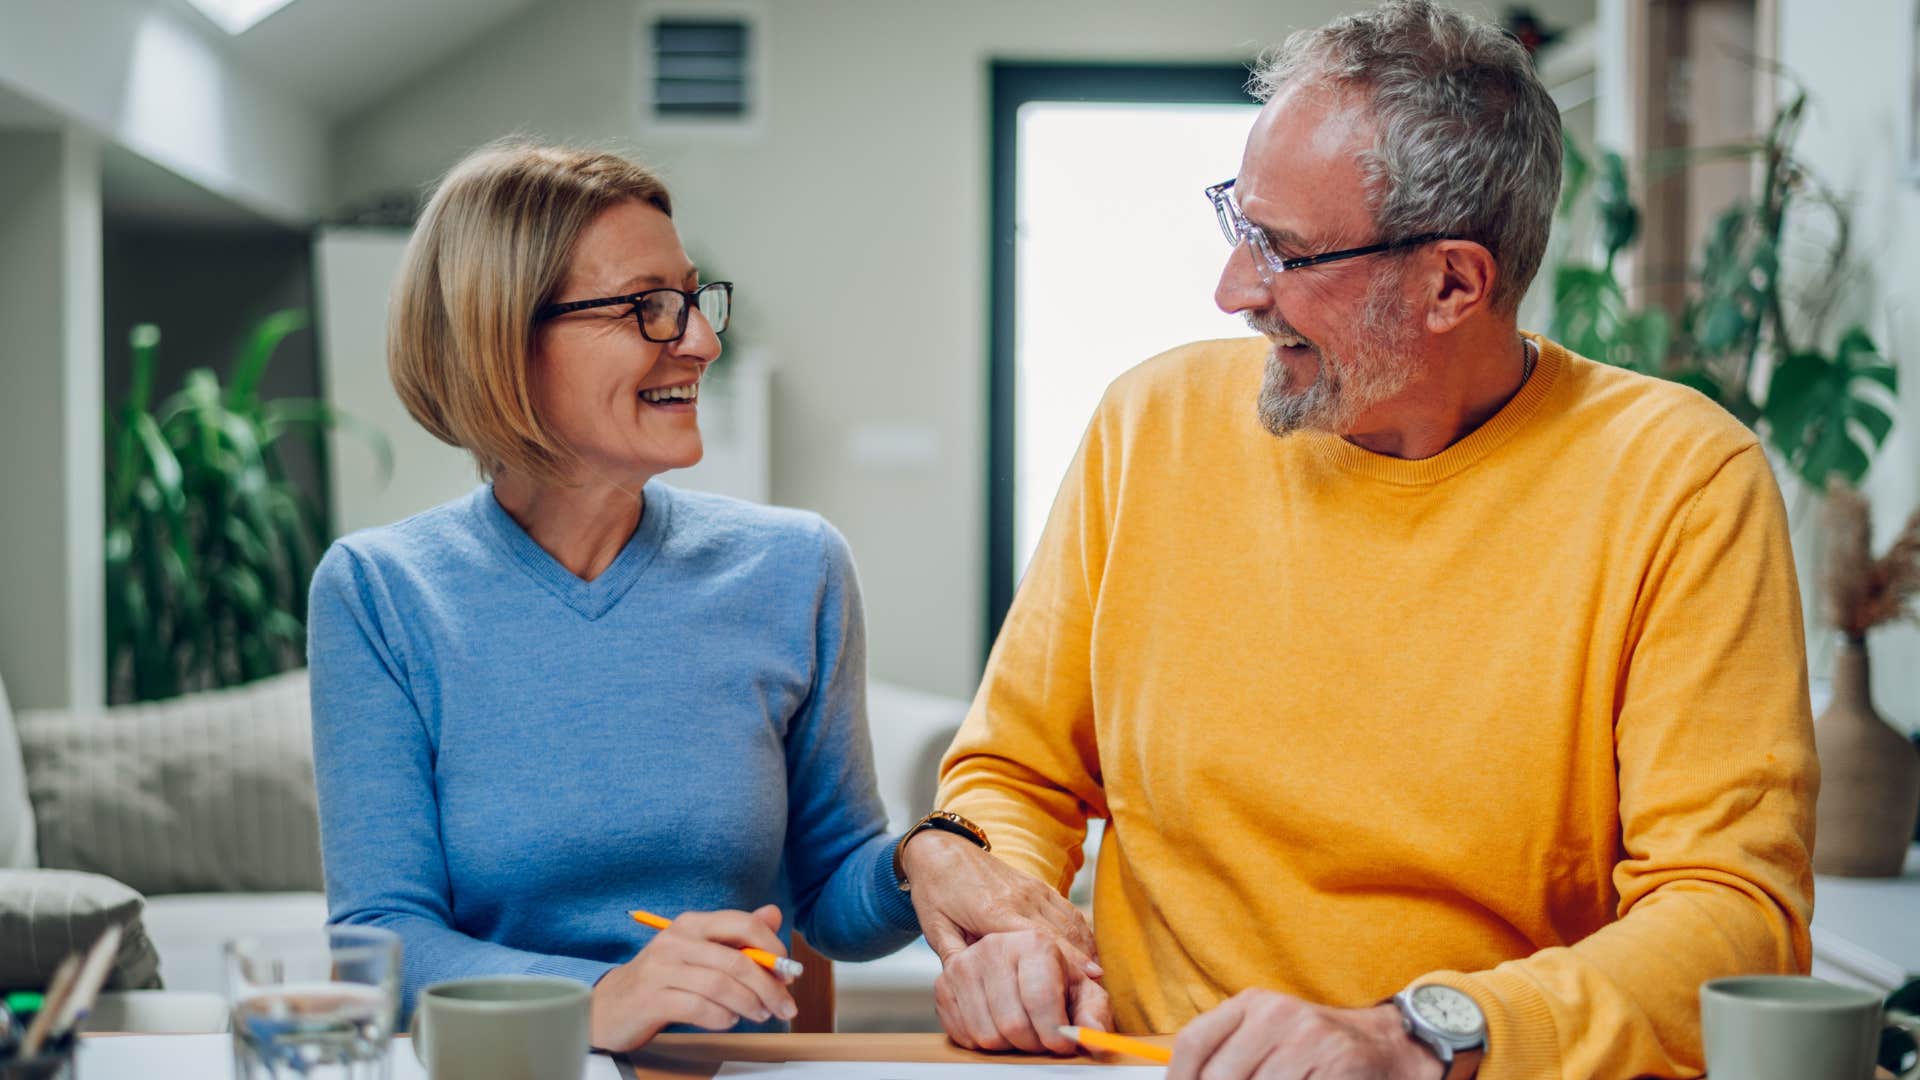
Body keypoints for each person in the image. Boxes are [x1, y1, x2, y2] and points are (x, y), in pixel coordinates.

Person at [895, 3, 1817, 1078]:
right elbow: (1016, 770)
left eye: (1282, 252)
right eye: (1239, 227)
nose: (1235, 291)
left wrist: (1417, 1034)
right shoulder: (1151, 423)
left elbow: (1734, 920)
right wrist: (1010, 920)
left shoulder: (1681, 482)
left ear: (1453, 284)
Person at [307, 141, 920, 1052]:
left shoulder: (797, 567)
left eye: (695, 299)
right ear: (502, 336)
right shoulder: (379, 593)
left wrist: (928, 861)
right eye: (649, 308)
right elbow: (383, 941)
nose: (703, 341)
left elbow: (834, 893)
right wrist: (605, 996)